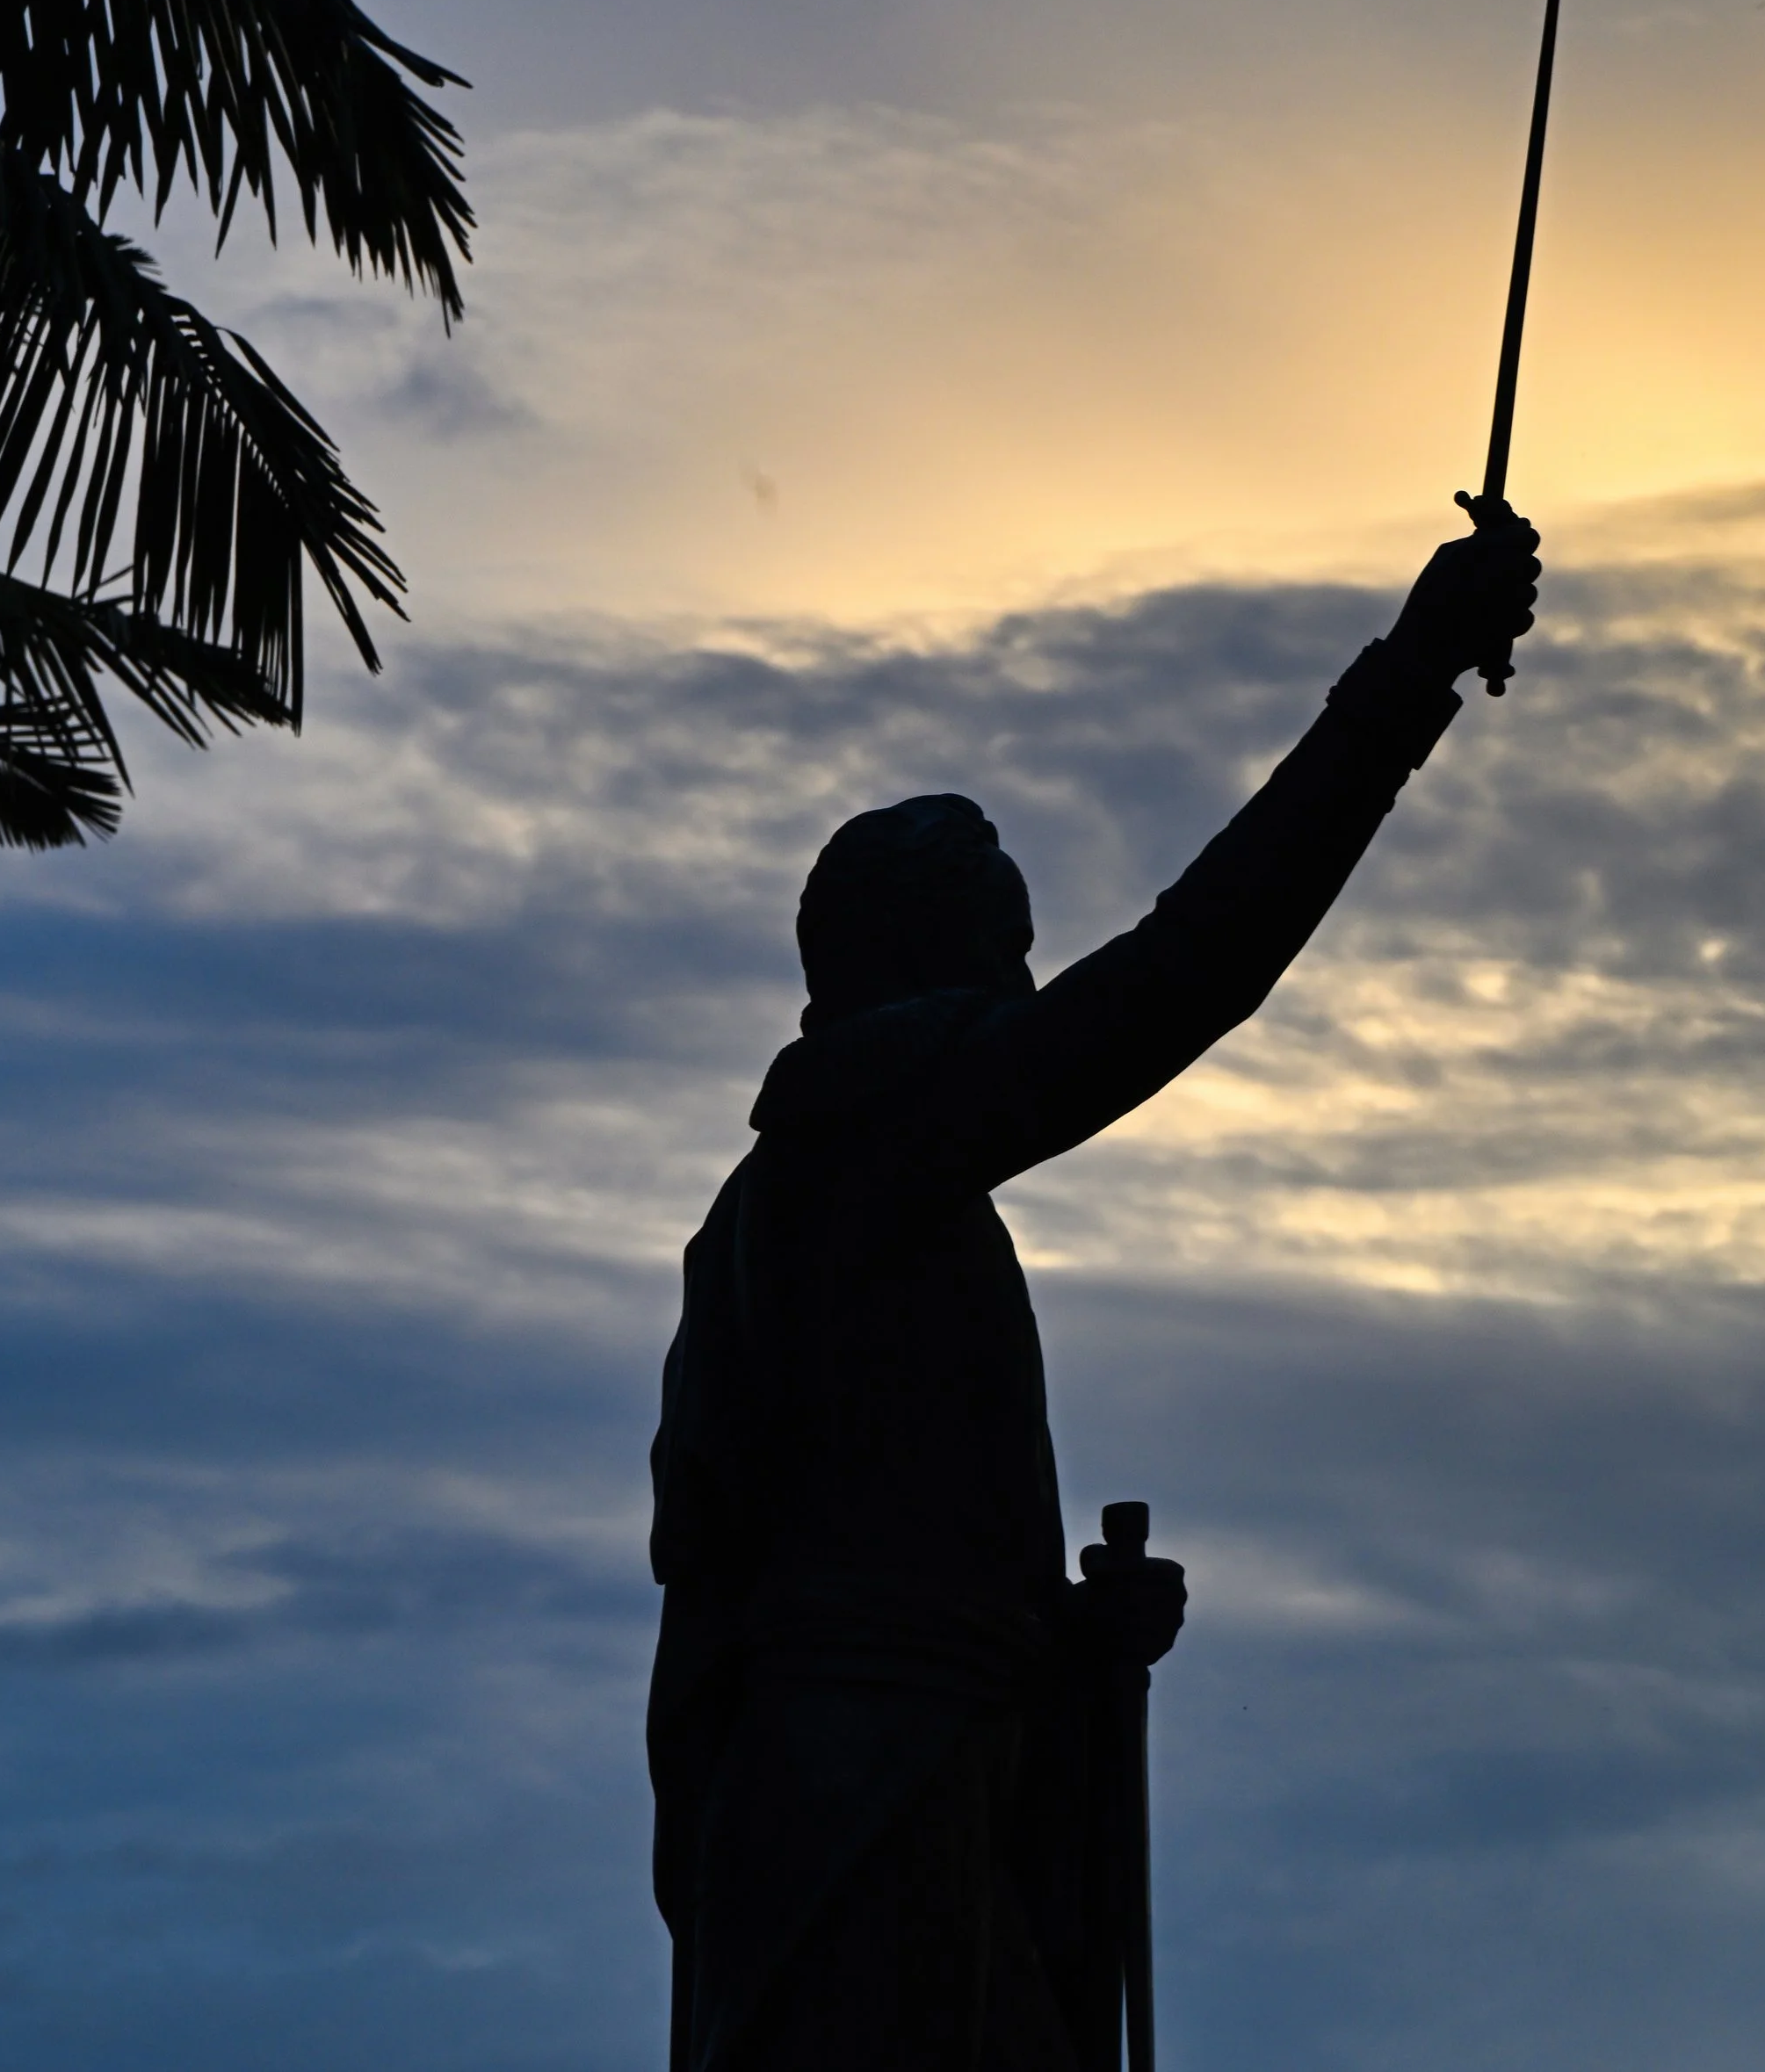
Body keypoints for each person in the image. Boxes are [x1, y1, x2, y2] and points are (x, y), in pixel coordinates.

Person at [648, 508, 1542, 2070]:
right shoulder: (864, 1138)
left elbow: (869, 1539)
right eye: (999, 967)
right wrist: (1407, 680)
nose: (1019, 1008)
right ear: (909, 977)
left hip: (911, 1789)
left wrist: (1068, 1642)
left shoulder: (834, 1196)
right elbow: (1188, 971)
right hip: (871, 1805)